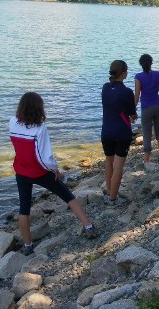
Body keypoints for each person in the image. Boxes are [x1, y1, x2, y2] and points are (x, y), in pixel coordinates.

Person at [9, 92, 97, 255]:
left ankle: (27, 245)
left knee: (24, 208)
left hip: (21, 170)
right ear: (39, 108)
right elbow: (43, 156)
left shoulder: (13, 122)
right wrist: (54, 169)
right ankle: (88, 226)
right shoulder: (40, 128)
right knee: (68, 196)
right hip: (39, 171)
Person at [101, 60, 137, 205]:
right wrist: (132, 116)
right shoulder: (127, 92)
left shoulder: (105, 87)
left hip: (106, 131)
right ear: (123, 73)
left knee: (109, 163)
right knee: (118, 167)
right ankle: (112, 199)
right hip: (122, 132)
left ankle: (110, 193)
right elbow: (132, 113)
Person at [135, 54, 159, 165]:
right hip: (157, 106)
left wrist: (132, 110)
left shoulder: (138, 77)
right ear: (151, 63)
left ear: (141, 64)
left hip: (146, 108)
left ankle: (147, 160)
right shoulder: (158, 74)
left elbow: (137, 95)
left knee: (147, 135)